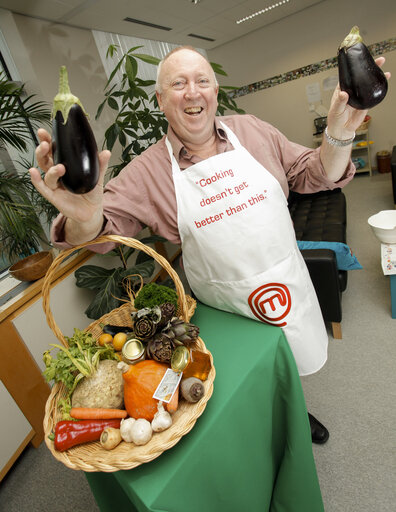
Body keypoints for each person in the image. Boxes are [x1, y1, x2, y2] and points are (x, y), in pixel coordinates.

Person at [29, 46, 390, 444]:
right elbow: (99, 232)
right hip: (226, 309)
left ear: (215, 91)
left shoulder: (253, 130)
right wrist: (83, 216)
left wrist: (339, 133)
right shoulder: (148, 170)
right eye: (178, 84)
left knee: (289, 361)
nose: (192, 92)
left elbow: (317, 172)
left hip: (284, 282)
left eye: (202, 81)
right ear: (161, 101)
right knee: (243, 380)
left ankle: (295, 413)